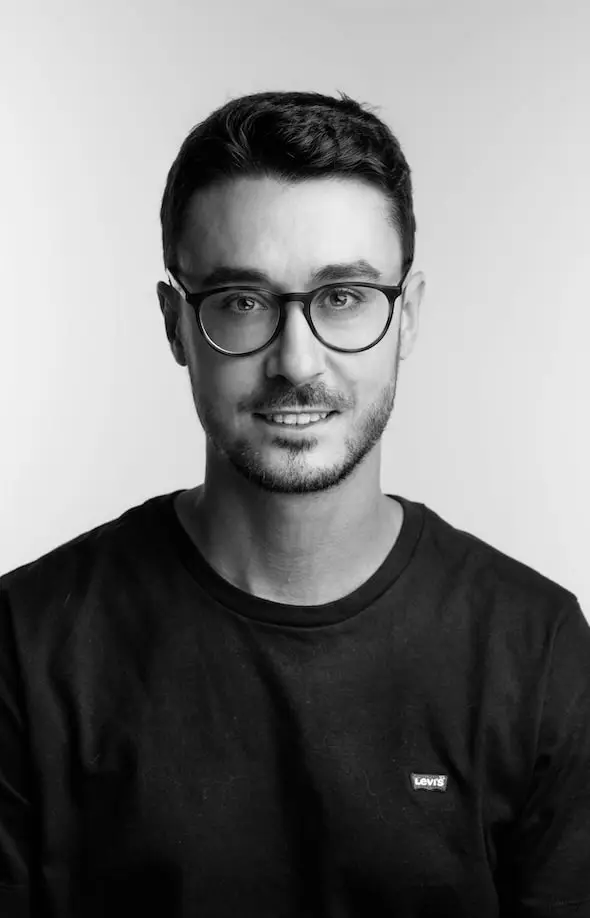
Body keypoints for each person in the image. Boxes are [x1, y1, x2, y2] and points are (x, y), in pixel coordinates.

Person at [1, 90, 589, 918]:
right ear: (175, 325)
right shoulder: (27, 644)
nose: (296, 361)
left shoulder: (536, 648)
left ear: (407, 317)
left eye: (343, 297)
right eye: (242, 302)